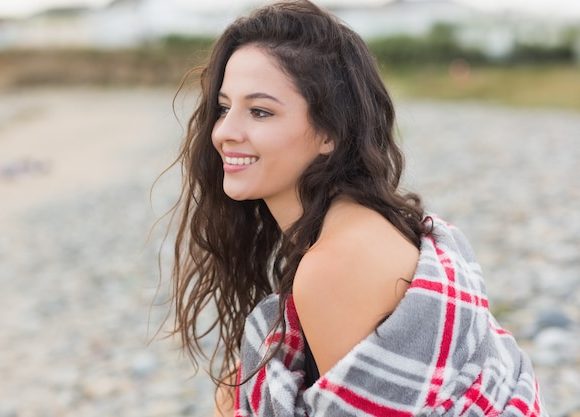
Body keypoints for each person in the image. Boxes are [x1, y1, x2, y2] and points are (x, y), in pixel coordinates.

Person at [164, 1, 546, 416]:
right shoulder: (364, 222)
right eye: (224, 107)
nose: (224, 132)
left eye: (260, 111)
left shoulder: (334, 265)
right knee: (234, 387)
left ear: (330, 132)